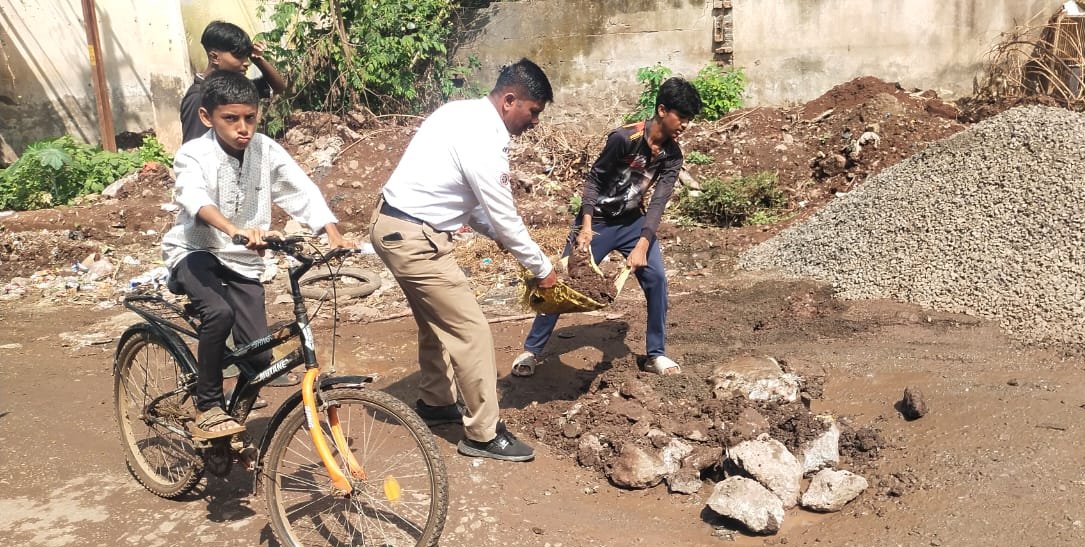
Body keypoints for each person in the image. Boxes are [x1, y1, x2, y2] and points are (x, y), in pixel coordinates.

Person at [370, 58, 558, 463]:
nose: (534, 122)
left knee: (435, 320)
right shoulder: (484, 137)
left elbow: (463, 200)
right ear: (510, 100)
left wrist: (498, 236)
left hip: (395, 226)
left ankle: (436, 401)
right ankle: (484, 434)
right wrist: (542, 269)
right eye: (533, 111)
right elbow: (503, 213)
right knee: (471, 331)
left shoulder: (460, 113)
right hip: (415, 239)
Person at [162, 71, 353, 438]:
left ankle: (232, 422)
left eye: (250, 117)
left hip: (243, 259)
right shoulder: (193, 154)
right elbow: (194, 198)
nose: (242, 128)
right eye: (230, 119)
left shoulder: (265, 149)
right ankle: (208, 406)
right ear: (207, 117)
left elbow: (300, 189)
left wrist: (332, 232)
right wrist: (233, 229)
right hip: (195, 250)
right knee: (218, 314)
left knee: (259, 355)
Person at [511, 77, 702, 378]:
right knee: (562, 282)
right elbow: (594, 180)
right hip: (596, 222)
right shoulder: (624, 138)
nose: (686, 125)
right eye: (682, 117)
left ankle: (655, 354)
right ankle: (532, 350)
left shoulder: (672, 156)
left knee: (657, 279)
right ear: (663, 110)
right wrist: (585, 226)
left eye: (690, 119)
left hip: (632, 222)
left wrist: (642, 245)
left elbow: (658, 203)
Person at [180, 21, 286, 144]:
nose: (247, 63)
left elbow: (278, 88)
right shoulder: (198, 97)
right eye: (239, 56)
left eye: (247, 56)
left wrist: (258, 60)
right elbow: (193, 146)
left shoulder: (236, 89)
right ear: (215, 57)